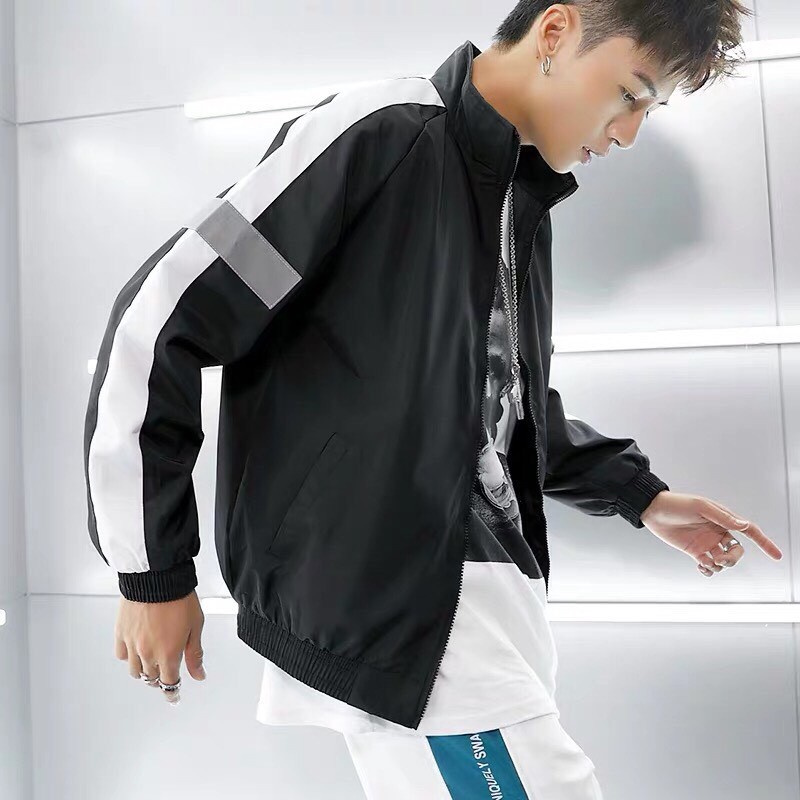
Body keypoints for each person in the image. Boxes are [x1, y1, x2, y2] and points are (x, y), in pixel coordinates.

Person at [84, 1, 783, 797]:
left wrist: (637, 494)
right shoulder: (385, 135)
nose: (627, 133)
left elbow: (487, 403)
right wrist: (152, 570)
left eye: (647, 111)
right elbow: (166, 318)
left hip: (484, 604)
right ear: (556, 33)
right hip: (404, 606)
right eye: (630, 94)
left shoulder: (521, 197)